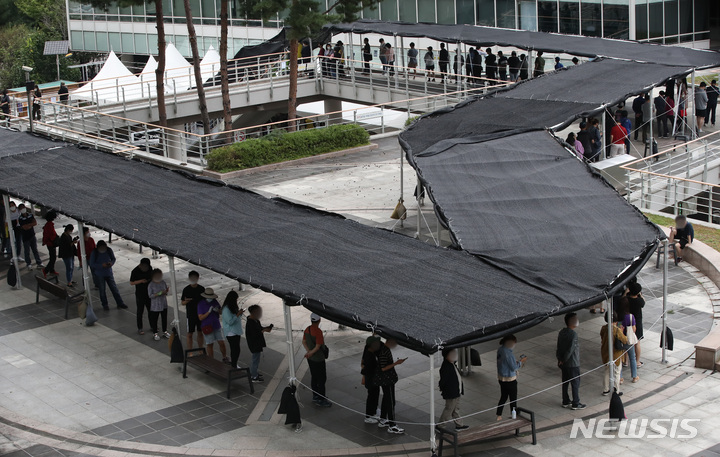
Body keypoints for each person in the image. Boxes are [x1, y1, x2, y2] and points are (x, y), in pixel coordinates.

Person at [375, 338, 405, 434]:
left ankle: (383, 419)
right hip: (386, 380)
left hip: (386, 379)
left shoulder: (383, 349)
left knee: (386, 398)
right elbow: (383, 368)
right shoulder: (384, 351)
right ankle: (392, 425)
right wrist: (396, 363)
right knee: (391, 401)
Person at [556, 313, 585, 409]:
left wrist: (560, 359)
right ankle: (576, 402)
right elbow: (571, 349)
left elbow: (558, 347)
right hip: (573, 363)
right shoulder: (573, 335)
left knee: (565, 381)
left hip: (563, 363)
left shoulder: (562, 332)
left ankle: (565, 400)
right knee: (575, 383)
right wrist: (564, 359)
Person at [89, 240, 127, 310]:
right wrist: (101, 265)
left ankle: (120, 303)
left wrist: (111, 263)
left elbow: (113, 258)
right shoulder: (95, 252)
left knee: (114, 289)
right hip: (99, 274)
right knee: (102, 290)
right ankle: (105, 304)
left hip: (108, 272)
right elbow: (92, 264)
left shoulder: (109, 250)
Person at [496, 335, 527, 420]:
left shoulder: (500, 349)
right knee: (513, 399)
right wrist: (521, 361)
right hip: (510, 379)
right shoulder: (509, 354)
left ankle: (499, 414)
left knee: (503, 396)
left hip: (501, 378)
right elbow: (514, 367)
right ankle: (514, 416)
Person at [303, 313, 331, 407]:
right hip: (318, 359)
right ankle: (321, 399)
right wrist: (311, 352)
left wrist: (308, 351)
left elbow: (303, 341)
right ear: (319, 320)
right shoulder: (318, 331)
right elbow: (318, 346)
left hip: (311, 359)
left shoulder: (308, 329)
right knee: (322, 379)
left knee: (314, 377)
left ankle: (315, 396)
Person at [438, 348, 467, 430]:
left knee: (455, 409)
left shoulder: (452, 364)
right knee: (449, 409)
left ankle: (459, 425)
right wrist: (443, 389)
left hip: (457, 391)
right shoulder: (446, 367)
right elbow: (443, 381)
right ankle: (441, 426)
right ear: (447, 356)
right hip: (452, 393)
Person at [601, 311, 628, 396]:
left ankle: (606, 389)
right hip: (616, 354)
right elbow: (625, 340)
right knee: (617, 372)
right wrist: (622, 331)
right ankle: (616, 390)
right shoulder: (616, 330)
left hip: (605, 352)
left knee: (607, 371)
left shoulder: (603, 328)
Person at [197, 288, 228, 361]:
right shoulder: (201, 304)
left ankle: (224, 357)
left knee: (221, 342)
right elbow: (200, 318)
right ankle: (211, 360)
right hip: (207, 326)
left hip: (216, 325)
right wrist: (208, 312)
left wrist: (218, 310)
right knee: (210, 344)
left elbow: (221, 312)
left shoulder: (214, 301)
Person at [246, 304, 272, 382]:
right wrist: (263, 331)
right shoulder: (250, 323)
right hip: (254, 344)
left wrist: (266, 328)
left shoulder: (256, 320)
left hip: (257, 343)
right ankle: (253, 376)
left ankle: (254, 372)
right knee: (255, 360)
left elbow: (260, 328)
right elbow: (255, 334)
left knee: (256, 359)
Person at [181, 271, 205, 348]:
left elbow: (204, 302)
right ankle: (190, 351)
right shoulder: (186, 289)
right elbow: (182, 302)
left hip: (200, 314)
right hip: (191, 314)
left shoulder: (201, 289)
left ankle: (200, 349)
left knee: (200, 332)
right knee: (189, 333)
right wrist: (187, 301)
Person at [617, 297, 639, 384]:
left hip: (620, 340)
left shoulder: (618, 316)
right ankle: (634, 376)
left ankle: (620, 378)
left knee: (620, 359)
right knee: (632, 358)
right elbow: (634, 329)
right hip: (629, 340)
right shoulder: (630, 316)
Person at [129, 258, 153, 334]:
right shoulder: (135, 271)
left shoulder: (150, 268)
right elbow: (131, 282)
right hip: (140, 293)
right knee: (140, 311)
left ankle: (153, 326)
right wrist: (141, 281)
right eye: (144, 266)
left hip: (149, 293)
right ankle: (140, 328)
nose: (146, 268)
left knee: (151, 311)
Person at [221, 290, 245, 368]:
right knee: (235, 349)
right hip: (230, 332)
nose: (236, 301)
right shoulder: (226, 309)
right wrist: (237, 315)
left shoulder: (233, 307)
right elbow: (230, 322)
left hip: (236, 331)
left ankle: (234, 364)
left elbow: (237, 318)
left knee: (236, 349)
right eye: (235, 299)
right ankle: (234, 365)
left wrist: (240, 314)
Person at [361, 335, 381, 423]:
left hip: (374, 380)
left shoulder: (371, 353)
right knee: (371, 396)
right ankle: (369, 416)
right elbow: (366, 369)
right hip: (371, 380)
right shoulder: (369, 356)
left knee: (375, 395)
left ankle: (373, 411)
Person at [147, 268, 170, 341]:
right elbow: (150, 295)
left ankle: (165, 331)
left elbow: (165, 291)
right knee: (155, 319)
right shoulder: (151, 285)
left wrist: (166, 291)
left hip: (163, 303)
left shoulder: (163, 282)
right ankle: (155, 333)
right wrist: (160, 293)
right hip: (155, 305)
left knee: (164, 318)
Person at [18, 204, 43, 270]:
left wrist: (29, 225)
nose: (23, 209)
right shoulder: (20, 218)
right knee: (27, 251)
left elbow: (35, 223)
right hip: (25, 237)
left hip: (32, 235)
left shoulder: (30, 215)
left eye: (23, 207)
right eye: (21, 208)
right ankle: (28, 264)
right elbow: (24, 227)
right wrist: (30, 225)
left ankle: (39, 262)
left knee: (35, 250)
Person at [626, 281, 645, 367]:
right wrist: (640, 295)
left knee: (626, 341)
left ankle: (625, 361)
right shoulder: (639, 301)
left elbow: (622, 299)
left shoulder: (626, 299)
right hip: (637, 322)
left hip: (627, 321)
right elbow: (643, 302)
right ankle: (637, 361)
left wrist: (626, 293)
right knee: (637, 342)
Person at [41, 210, 59, 278]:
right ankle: (46, 270)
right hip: (51, 244)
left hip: (50, 243)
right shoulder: (49, 225)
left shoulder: (48, 224)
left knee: (52, 257)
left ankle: (52, 270)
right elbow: (50, 235)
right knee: (53, 258)